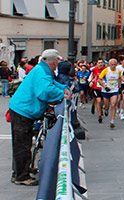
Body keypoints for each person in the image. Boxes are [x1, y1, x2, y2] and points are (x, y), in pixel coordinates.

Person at [9, 49, 71, 186]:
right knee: (22, 144)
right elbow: (45, 91)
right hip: (23, 110)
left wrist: (63, 88)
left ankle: (20, 170)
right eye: (58, 61)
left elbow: (53, 84)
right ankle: (21, 176)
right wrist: (63, 93)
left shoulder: (42, 70)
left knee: (23, 142)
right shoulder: (42, 72)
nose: (58, 64)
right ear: (53, 61)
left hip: (22, 109)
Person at [98, 58, 121, 128]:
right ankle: (106, 109)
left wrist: (119, 87)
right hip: (106, 90)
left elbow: (120, 78)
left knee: (113, 104)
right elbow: (99, 80)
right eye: (112, 64)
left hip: (114, 90)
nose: (113, 66)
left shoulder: (118, 71)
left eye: (114, 64)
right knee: (107, 105)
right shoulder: (105, 70)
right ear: (109, 65)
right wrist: (105, 86)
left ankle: (112, 121)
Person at [90, 58, 106, 123]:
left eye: (101, 63)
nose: (100, 64)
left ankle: (101, 109)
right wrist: (91, 81)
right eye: (99, 63)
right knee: (98, 101)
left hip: (104, 87)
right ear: (97, 64)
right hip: (96, 87)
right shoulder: (94, 69)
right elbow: (93, 76)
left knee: (103, 101)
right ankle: (99, 115)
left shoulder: (106, 69)